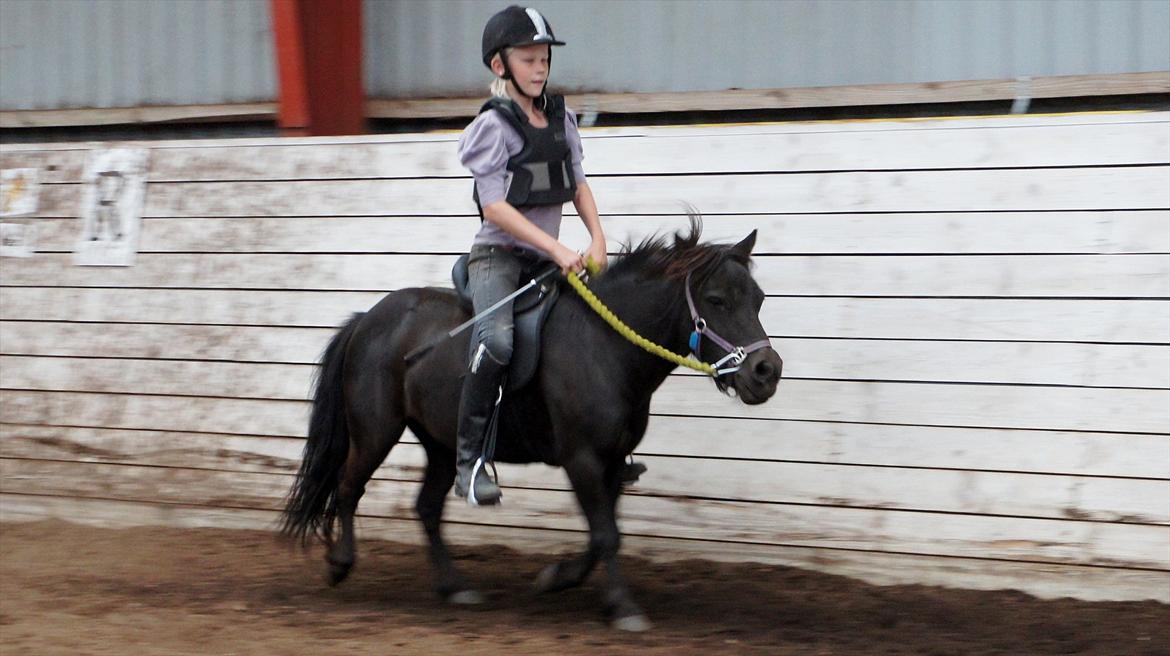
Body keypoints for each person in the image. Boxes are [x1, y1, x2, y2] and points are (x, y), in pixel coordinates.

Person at [453, 5, 608, 505]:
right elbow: (495, 207)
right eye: (529, 59)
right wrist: (557, 247)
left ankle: (605, 443)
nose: (540, 67)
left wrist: (597, 237)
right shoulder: (492, 128)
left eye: (544, 58)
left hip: (550, 259)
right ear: (500, 66)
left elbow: (577, 185)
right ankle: (470, 461)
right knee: (496, 342)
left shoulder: (561, 118)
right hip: (499, 259)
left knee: (597, 326)